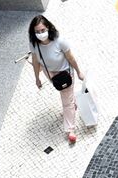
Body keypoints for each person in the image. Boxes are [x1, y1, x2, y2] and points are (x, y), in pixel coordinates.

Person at [29, 15, 86, 144]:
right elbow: (35, 61)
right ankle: (73, 103)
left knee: (67, 102)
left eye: (42, 30)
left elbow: (71, 58)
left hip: (66, 73)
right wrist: (37, 78)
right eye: (37, 32)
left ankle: (70, 129)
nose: (40, 34)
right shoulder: (34, 44)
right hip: (50, 74)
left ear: (48, 27)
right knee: (67, 96)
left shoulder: (60, 41)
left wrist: (78, 72)